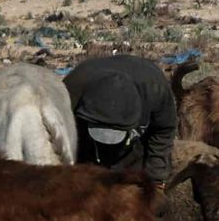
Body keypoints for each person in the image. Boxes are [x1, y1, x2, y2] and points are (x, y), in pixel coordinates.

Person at [63, 50, 184, 178]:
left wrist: (156, 176)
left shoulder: (155, 89)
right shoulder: (71, 92)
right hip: (86, 142)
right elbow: (61, 141)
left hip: (134, 146)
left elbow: (163, 132)